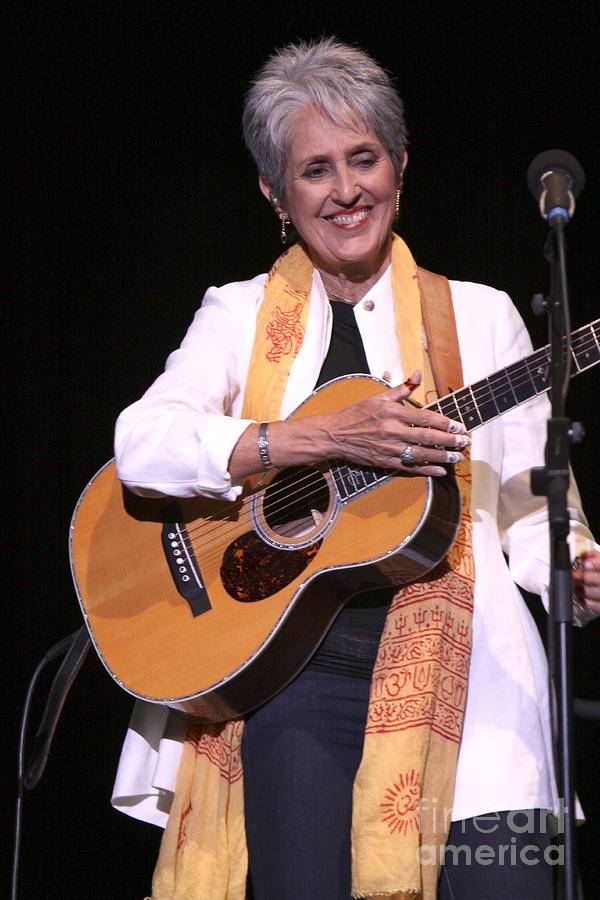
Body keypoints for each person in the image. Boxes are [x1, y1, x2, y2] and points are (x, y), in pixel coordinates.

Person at [111, 38, 600, 900]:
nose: (346, 191)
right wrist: (316, 441)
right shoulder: (240, 315)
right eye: (315, 170)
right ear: (275, 192)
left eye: (364, 159)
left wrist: (572, 570)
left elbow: (530, 501)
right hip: (295, 690)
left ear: (400, 166)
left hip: (475, 687)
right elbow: (143, 442)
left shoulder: (478, 319)